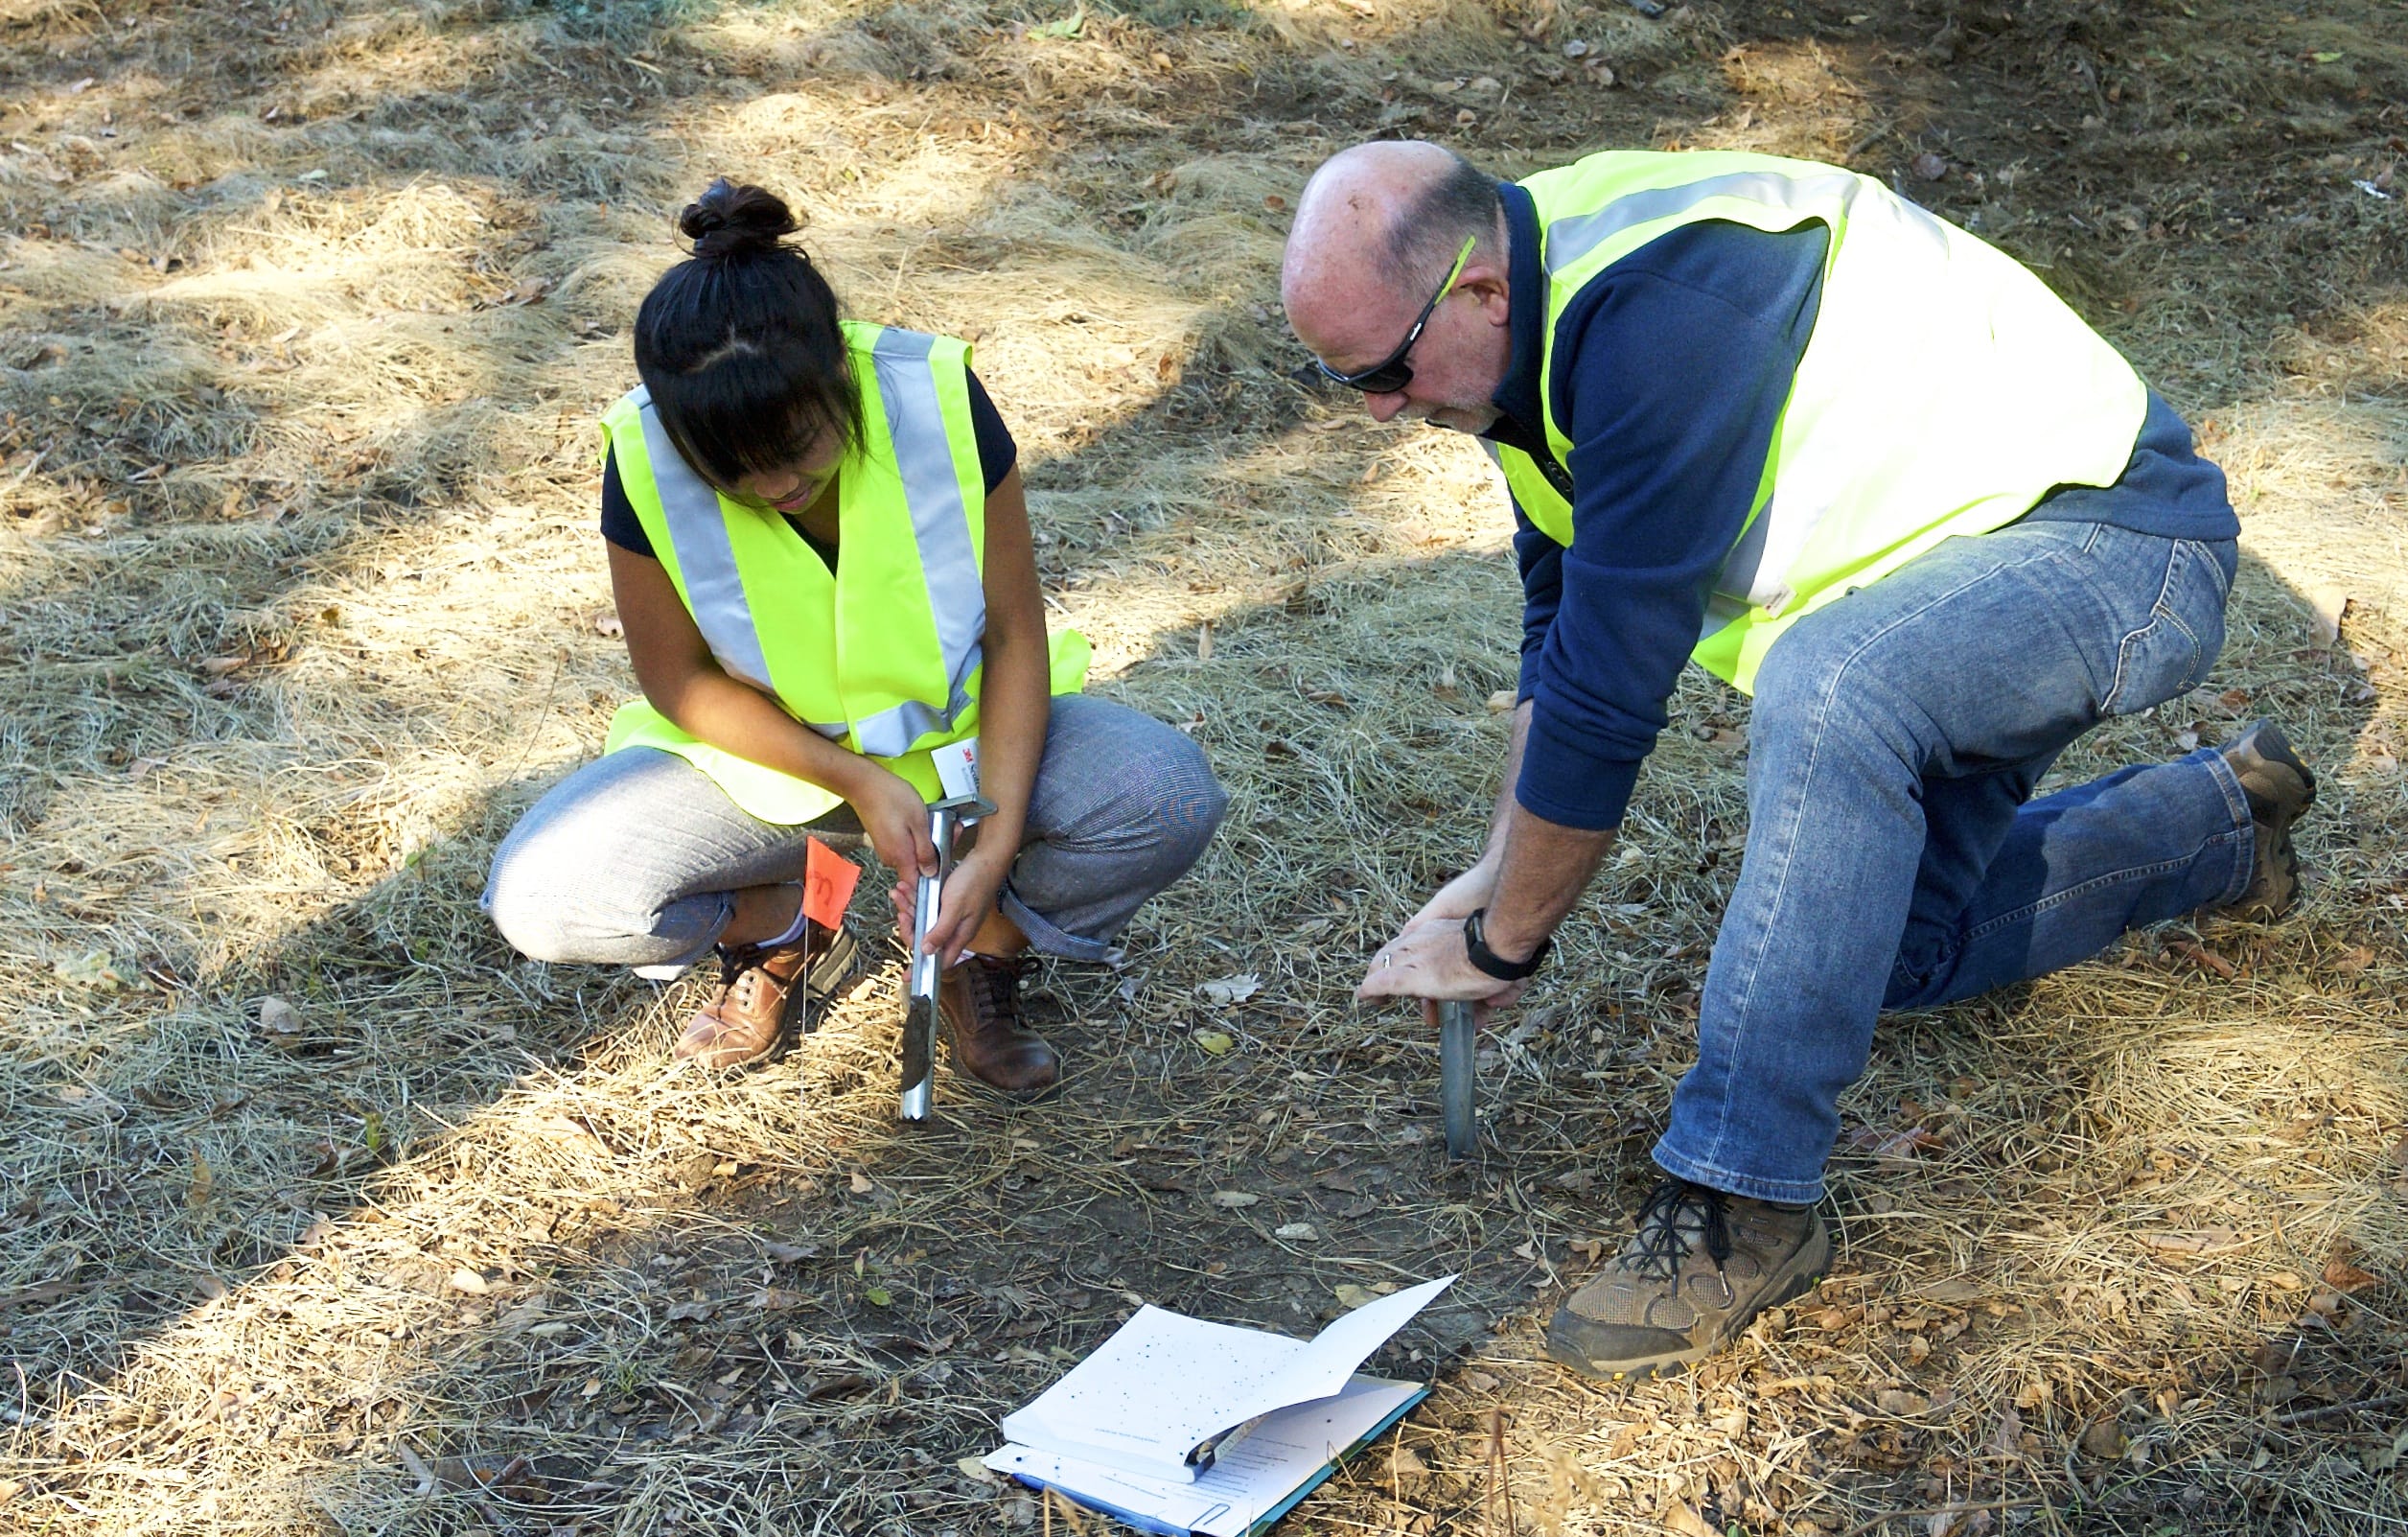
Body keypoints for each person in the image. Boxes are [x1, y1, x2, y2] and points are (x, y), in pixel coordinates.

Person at [1282, 142, 2315, 1381]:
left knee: (1830, 687)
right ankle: (2219, 825)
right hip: (1956, 568)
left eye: (1387, 373)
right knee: (1878, 954)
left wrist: (1510, 940)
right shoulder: (1518, 334)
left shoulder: (1648, 321)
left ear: (1478, 292)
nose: (1385, 412)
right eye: (1349, 385)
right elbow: (1558, 637)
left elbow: (1612, 700)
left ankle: (1742, 1195)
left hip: (2120, 540)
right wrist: (1489, 874)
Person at [486, 179, 1225, 1091]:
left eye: (796, 445)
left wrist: (989, 854)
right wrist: (854, 780)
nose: (771, 487)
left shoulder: (936, 397)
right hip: (766, 770)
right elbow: (676, 680)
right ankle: (783, 918)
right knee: (543, 897)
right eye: (730, 470)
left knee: (1168, 796)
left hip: (958, 742)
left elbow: (1014, 631)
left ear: (838, 372)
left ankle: (975, 948)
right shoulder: (640, 453)